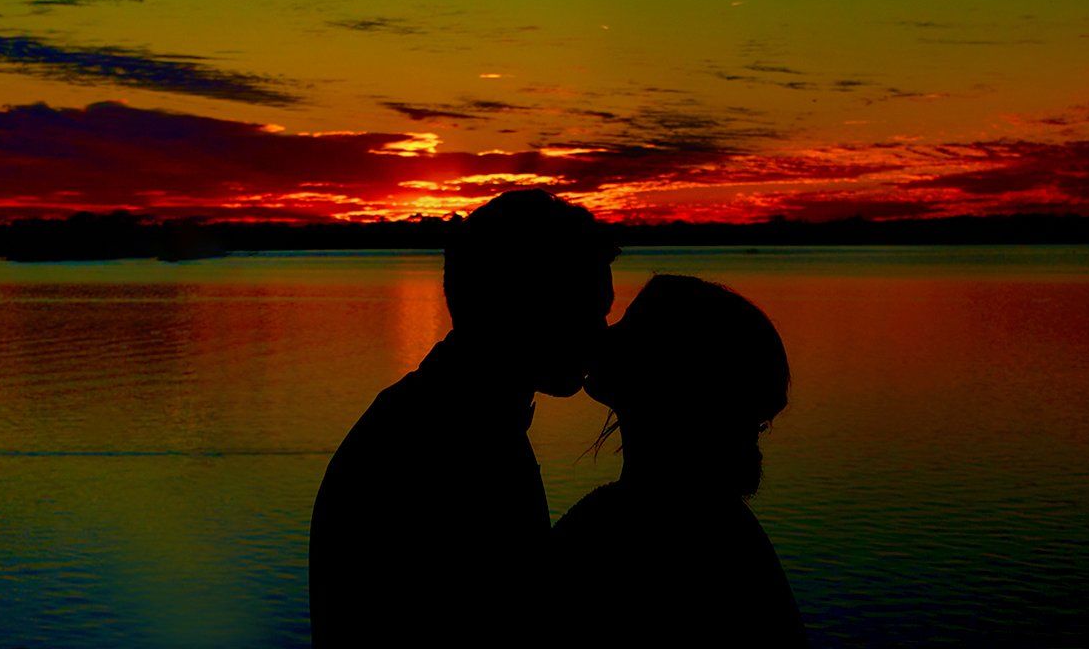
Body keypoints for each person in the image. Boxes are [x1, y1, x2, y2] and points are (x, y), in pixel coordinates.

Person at [309, 190, 618, 647]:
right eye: (587, 313)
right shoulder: (451, 447)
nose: (600, 337)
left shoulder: (455, 415)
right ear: (522, 306)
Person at [551, 274, 808, 646]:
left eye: (630, 325)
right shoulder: (710, 517)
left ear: (672, 369)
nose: (604, 334)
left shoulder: (644, 528)